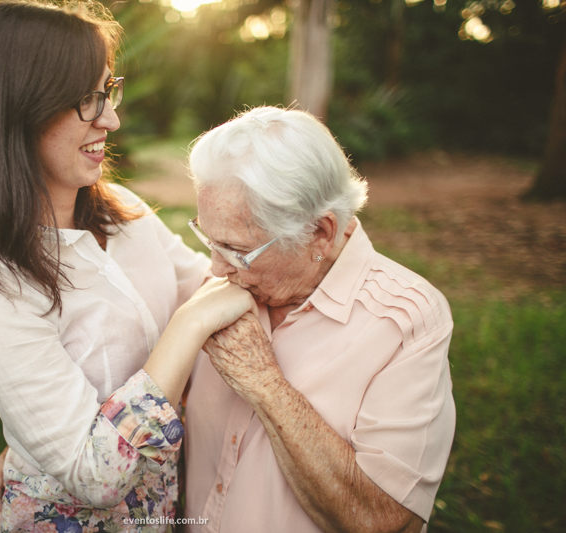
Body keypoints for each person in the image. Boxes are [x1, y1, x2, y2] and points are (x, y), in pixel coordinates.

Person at [0, 1, 256, 532]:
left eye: (108, 90)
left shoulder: (125, 212)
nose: (112, 118)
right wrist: (189, 324)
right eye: (87, 100)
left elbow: (212, 284)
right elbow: (94, 472)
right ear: (19, 109)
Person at [181, 106, 456, 532]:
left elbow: (382, 521)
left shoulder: (406, 322)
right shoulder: (222, 287)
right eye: (208, 239)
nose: (217, 268)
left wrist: (265, 383)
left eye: (236, 250)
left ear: (320, 233)